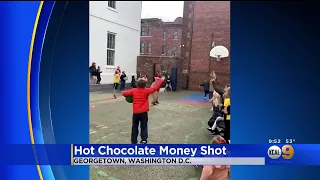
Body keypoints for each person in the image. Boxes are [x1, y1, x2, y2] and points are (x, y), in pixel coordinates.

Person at [122, 77, 164, 144]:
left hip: (136, 113)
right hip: (144, 113)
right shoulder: (146, 90)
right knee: (144, 126)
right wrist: (161, 80)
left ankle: (134, 141)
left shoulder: (133, 90)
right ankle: (144, 140)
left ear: (137, 84)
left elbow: (124, 93)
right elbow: (155, 88)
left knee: (134, 127)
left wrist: (125, 93)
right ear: (145, 85)